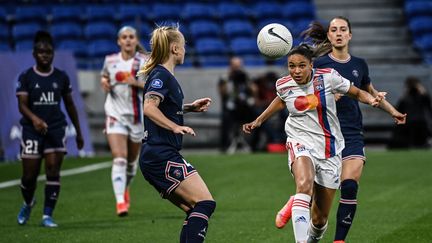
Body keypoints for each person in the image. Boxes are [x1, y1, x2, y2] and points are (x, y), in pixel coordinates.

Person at [275, 17, 407, 243]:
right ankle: (298, 199)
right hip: (322, 136)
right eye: (334, 30)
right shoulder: (318, 65)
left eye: (343, 29)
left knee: (349, 186)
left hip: (352, 132)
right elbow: (299, 94)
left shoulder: (359, 64)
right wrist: (326, 96)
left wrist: (391, 110)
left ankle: (338, 240)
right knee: (318, 207)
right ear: (328, 36)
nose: (338, 33)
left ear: (350, 35)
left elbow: (368, 91)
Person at [243, 44, 385, 243]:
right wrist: (258, 120)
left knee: (319, 220)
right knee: (304, 185)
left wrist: (372, 100)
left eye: (302, 65)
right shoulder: (283, 84)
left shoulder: (329, 77)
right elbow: (282, 99)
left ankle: (310, 237)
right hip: (299, 140)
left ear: (311, 65)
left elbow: (357, 92)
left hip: (330, 149)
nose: (296, 71)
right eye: (291, 66)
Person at [137, 24, 216, 242]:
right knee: (205, 203)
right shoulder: (161, 76)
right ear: (174, 48)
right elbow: (149, 107)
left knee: (195, 209)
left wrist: (189, 107)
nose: (185, 50)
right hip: (161, 154)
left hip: (157, 155)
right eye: (183, 46)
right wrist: (174, 126)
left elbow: (164, 107)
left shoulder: (165, 76)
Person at [15, 30, 84, 227]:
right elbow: (22, 105)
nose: (45, 55)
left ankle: (47, 215)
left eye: (48, 52)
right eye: (41, 52)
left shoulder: (61, 77)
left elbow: (70, 105)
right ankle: (28, 202)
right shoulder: (26, 76)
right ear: (34, 54)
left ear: (53, 53)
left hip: (55, 128)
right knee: (29, 176)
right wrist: (35, 119)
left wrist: (78, 132)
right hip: (31, 131)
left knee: (53, 171)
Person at [100, 26, 149, 216]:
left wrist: (134, 83)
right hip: (115, 114)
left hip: (136, 117)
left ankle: (125, 189)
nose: (128, 40)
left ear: (136, 40)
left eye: (131, 37)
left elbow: (153, 85)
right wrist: (104, 82)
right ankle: (120, 202)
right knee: (119, 158)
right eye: (124, 37)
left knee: (131, 163)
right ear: (119, 41)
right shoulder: (110, 60)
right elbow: (105, 76)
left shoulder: (144, 62)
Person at [389, 76, 432, 148]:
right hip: (412, 122)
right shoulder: (408, 97)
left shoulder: (421, 97)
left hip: (416, 121)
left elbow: (427, 104)